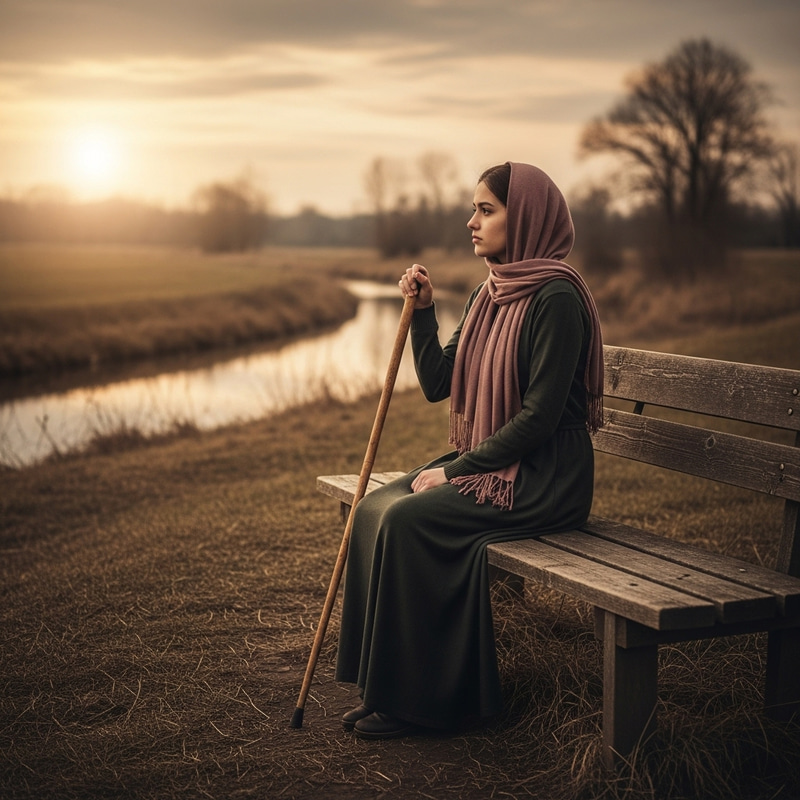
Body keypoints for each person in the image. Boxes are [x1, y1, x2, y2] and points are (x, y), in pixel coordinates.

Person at [334, 162, 604, 740]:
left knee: (409, 521)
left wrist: (457, 471)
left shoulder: (555, 297)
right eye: (474, 209)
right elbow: (438, 382)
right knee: (374, 510)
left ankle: (427, 703)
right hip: (498, 463)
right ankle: (380, 683)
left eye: (486, 210)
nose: (471, 222)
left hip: (546, 476)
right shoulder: (490, 292)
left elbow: (540, 418)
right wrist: (425, 312)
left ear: (524, 217)